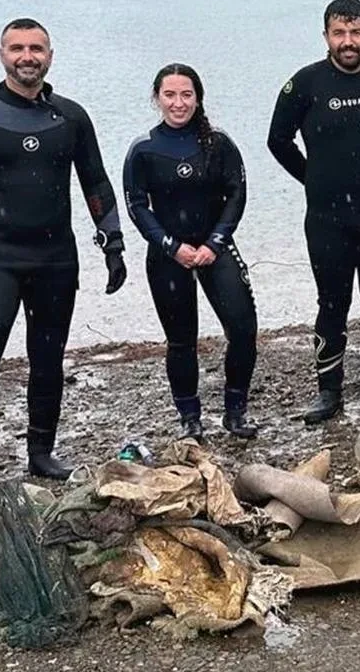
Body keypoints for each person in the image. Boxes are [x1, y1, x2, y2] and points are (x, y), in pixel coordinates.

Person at [0, 18, 126, 500]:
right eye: (17, 48)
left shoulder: (71, 117)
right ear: (2, 54)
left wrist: (113, 243)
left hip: (56, 260)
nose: (26, 57)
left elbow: (95, 182)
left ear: (50, 55)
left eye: (36, 48)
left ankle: (41, 453)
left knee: (48, 360)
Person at [268, 0, 360, 424]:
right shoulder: (305, 83)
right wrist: (313, 177)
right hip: (327, 219)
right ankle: (329, 390)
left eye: (355, 33)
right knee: (332, 303)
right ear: (326, 36)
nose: (347, 41)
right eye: (339, 33)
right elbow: (278, 140)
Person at [124, 64, 258, 440]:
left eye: (186, 95)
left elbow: (237, 195)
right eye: (170, 95)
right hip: (168, 255)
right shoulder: (144, 149)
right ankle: (189, 418)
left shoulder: (219, 143)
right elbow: (137, 206)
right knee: (182, 340)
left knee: (243, 330)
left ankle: (235, 411)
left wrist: (215, 242)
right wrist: (171, 245)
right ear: (157, 98)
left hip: (215, 248)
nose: (178, 103)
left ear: (198, 98)